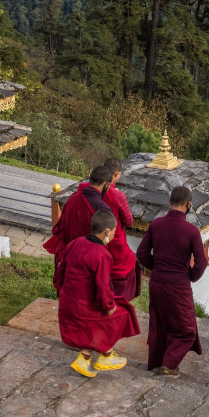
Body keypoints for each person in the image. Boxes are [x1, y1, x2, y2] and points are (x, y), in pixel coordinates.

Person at [56, 207, 141, 377]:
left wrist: (62, 292)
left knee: (97, 319)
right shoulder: (102, 255)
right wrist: (109, 306)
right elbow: (103, 287)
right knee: (123, 313)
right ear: (107, 232)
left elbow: (60, 271)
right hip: (83, 306)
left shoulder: (75, 243)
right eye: (115, 231)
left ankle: (84, 359)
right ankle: (106, 356)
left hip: (67, 302)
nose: (115, 234)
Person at [136, 185, 206, 377]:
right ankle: (169, 364)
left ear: (170, 203)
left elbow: (141, 253)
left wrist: (155, 267)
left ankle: (155, 364)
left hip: (157, 281)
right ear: (189, 205)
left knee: (159, 324)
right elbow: (201, 262)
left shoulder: (156, 224)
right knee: (186, 329)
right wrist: (190, 276)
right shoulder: (191, 231)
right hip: (178, 284)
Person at [45, 165, 114, 294]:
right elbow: (104, 241)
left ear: (90, 179)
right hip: (88, 261)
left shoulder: (73, 198)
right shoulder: (103, 209)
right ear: (106, 184)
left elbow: (61, 227)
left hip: (68, 255)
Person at [99, 158, 140, 302]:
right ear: (116, 174)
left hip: (95, 238)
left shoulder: (92, 190)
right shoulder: (117, 195)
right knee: (127, 265)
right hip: (114, 240)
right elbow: (128, 221)